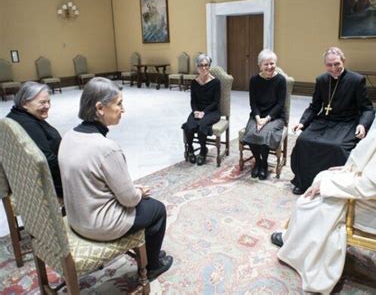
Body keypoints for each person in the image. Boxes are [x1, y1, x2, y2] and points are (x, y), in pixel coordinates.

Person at [271, 67, 376, 294]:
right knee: (324, 175)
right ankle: (294, 237)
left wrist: (327, 184)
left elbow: (372, 186)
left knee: (314, 196)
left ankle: (294, 246)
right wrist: (348, 168)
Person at [58, 77, 172, 280]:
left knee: (144, 205)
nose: (123, 109)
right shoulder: (106, 148)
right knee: (157, 209)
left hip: (76, 220)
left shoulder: (67, 136)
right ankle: (152, 265)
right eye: (119, 103)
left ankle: (148, 254)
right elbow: (129, 199)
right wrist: (138, 192)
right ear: (100, 108)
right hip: (99, 226)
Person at [290, 47, 375, 195]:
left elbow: (367, 108)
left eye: (337, 64)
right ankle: (303, 181)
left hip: (347, 122)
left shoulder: (356, 80)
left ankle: (335, 185)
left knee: (337, 147)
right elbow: (315, 106)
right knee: (303, 140)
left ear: (343, 61)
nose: (333, 68)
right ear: (325, 65)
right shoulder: (322, 80)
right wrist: (303, 122)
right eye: (329, 65)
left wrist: (363, 125)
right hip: (325, 120)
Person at [6, 81, 63, 198]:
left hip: (32, 179)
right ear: (24, 103)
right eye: (42, 102)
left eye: (48, 101)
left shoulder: (15, 115)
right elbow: (47, 160)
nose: (47, 106)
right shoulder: (28, 124)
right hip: (46, 184)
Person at [240, 49, 287, 180]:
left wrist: (265, 120)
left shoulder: (281, 80)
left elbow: (280, 104)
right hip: (257, 115)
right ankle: (258, 161)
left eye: (272, 63)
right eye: (266, 64)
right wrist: (258, 119)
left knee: (264, 134)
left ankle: (264, 163)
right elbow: (253, 103)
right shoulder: (254, 80)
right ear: (260, 65)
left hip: (275, 116)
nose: (269, 67)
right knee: (250, 133)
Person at [182, 54, 221, 166]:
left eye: (206, 65)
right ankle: (190, 149)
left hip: (212, 111)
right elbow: (193, 101)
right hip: (197, 110)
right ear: (197, 67)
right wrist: (195, 111)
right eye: (201, 65)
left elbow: (215, 102)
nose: (204, 68)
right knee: (189, 126)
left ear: (209, 66)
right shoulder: (194, 83)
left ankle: (203, 150)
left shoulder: (216, 82)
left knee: (202, 127)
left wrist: (204, 112)